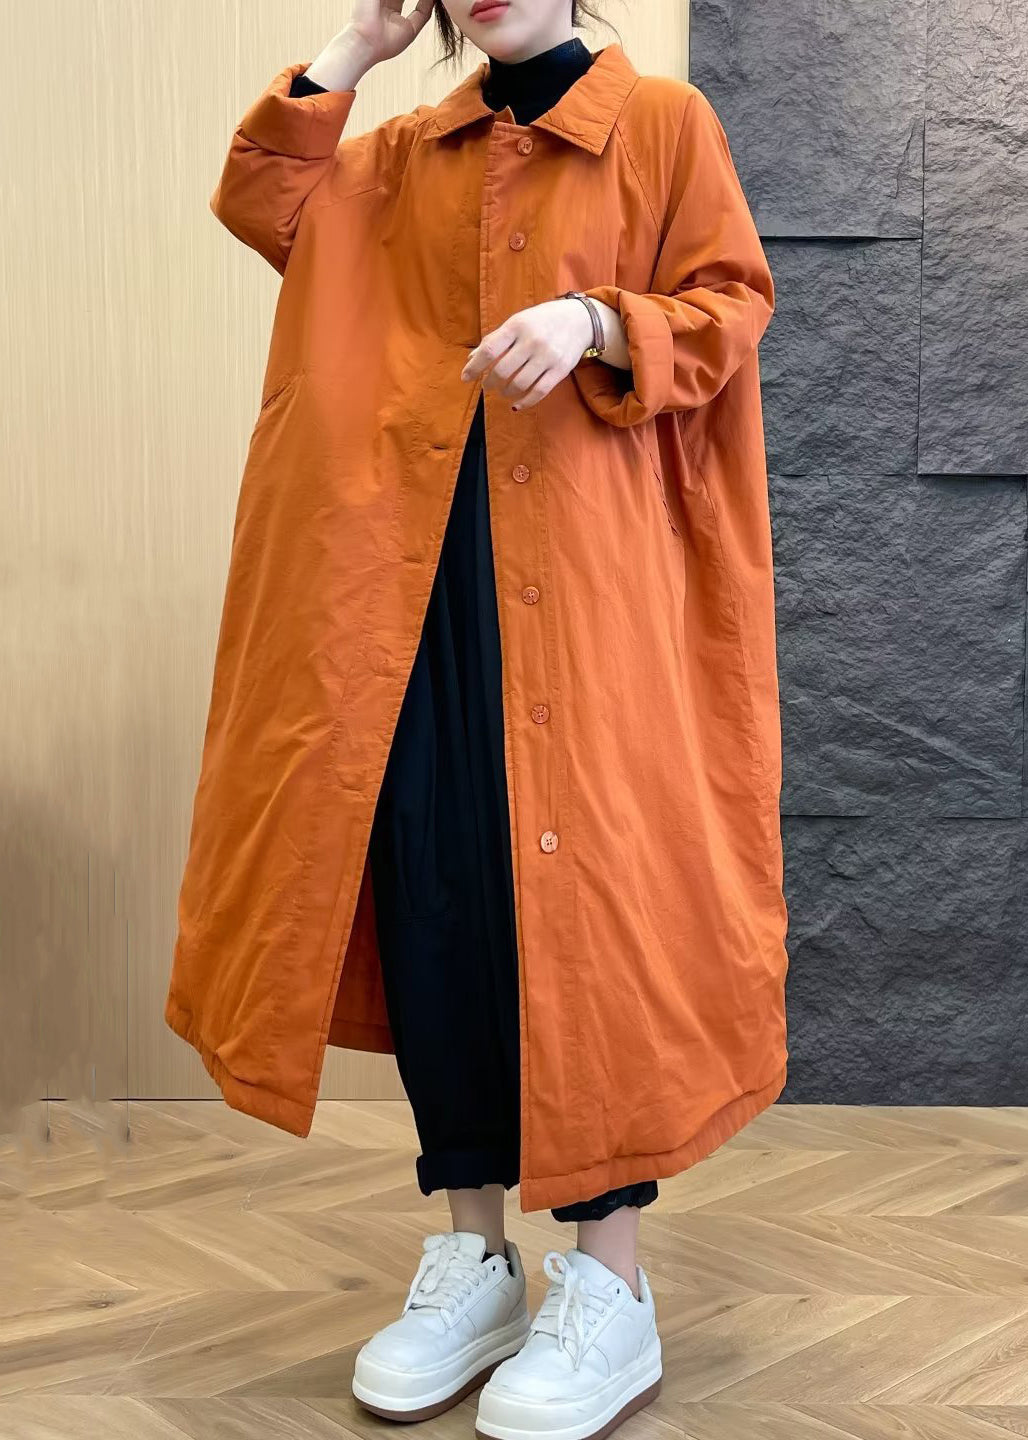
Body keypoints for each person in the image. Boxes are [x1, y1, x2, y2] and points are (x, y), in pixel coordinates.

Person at [168, 1, 788, 1435]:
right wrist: (355, 49)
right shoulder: (396, 157)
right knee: (437, 893)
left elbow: (730, 304)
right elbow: (264, 204)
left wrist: (597, 320)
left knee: (585, 912)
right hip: (406, 596)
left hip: (589, 597)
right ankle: (475, 1256)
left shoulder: (660, 125)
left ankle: (610, 1287)